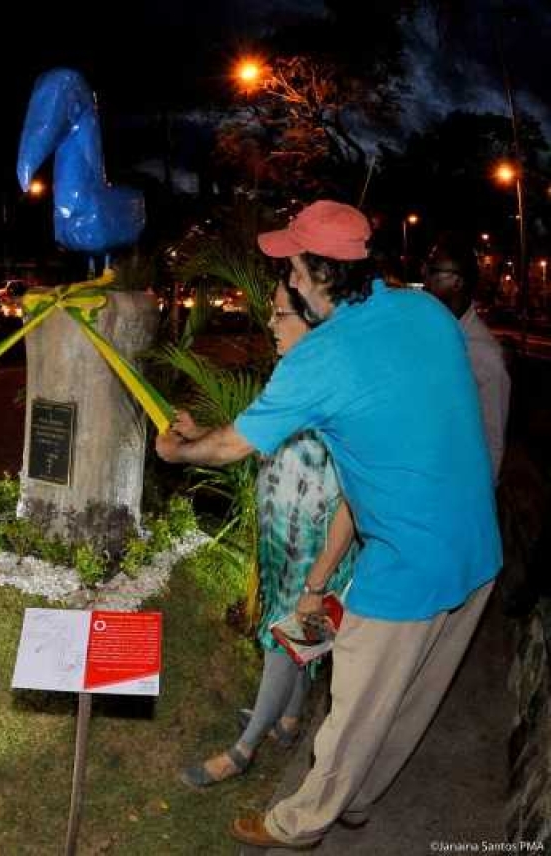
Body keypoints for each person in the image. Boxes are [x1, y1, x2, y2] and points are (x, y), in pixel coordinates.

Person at [155, 200, 500, 850]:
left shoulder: (321, 358)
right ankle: (358, 799)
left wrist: (179, 450)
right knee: (409, 699)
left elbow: (230, 446)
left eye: (292, 267)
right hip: (478, 545)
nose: (286, 280)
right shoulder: (426, 311)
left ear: (320, 274)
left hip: (407, 563)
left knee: (354, 706)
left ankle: (299, 823)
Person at [177, 281, 357, 789]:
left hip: (316, 553)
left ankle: (243, 750)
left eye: (281, 314)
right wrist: (197, 435)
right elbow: (255, 443)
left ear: (314, 320)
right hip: (283, 544)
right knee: (293, 641)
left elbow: (353, 497)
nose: (271, 325)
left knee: (284, 641)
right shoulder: (290, 376)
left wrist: (319, 580)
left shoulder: (340, 388)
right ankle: (288, 720)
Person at [423, 242, 510, 484]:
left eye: (433, 270)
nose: (424, 276)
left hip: (458, 486)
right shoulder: (432, 331)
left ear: (457, 282)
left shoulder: (484, 355)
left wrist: (480, 495)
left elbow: (493, 441)